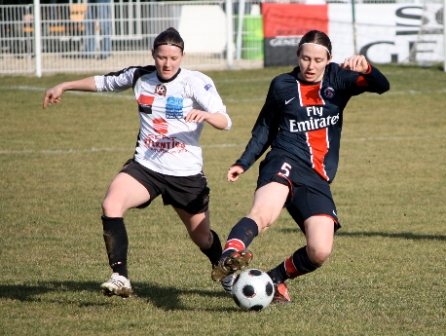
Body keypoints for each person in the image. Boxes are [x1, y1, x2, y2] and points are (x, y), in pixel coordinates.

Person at [43, 27, 231, 298]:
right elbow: (103, 82)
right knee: (111, 204)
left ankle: (223, 268)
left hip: (185, 173)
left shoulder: (196, 82)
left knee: (202, 238)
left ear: (183, 56)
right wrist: (64, 85)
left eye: (173, 58)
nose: (167, 63)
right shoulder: (140, 76)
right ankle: (120, 276)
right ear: (153, 54)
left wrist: (206, 115)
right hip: (146, 166)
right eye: (162, 57)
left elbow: (225, 121)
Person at [210, 30, 390, 304]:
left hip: (317, 175)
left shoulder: (339, 79)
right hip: (282, 159)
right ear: (297, 56)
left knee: (319, 250)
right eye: (305, 58)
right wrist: (243, 163)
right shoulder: (282, 84)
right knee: (264, 214)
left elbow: (382, 85)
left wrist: (367, 68)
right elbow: (265, 129)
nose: (311, 65)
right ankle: (228, 258)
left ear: (328, 59)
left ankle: (274, 279)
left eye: (318, 60)